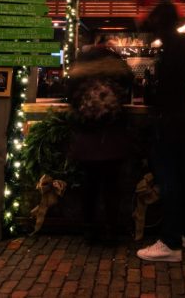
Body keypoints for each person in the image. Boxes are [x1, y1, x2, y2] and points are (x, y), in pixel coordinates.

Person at [137, 1, 185, 263]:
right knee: (183, 179)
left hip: (169, 123)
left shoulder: (170, 51)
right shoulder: (184, 48)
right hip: (183, 122)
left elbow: (162, 94)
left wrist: (150, 89)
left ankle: (171, 243)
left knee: (170, 181)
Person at [66, 45, 133, 243]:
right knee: (112, 187)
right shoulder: (118, 71)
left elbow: (71, 98)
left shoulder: (79, 73)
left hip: (87, 139)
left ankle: (89, 230)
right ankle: (112, 230)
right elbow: (128, 89)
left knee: (89, 186)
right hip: (112, 137)